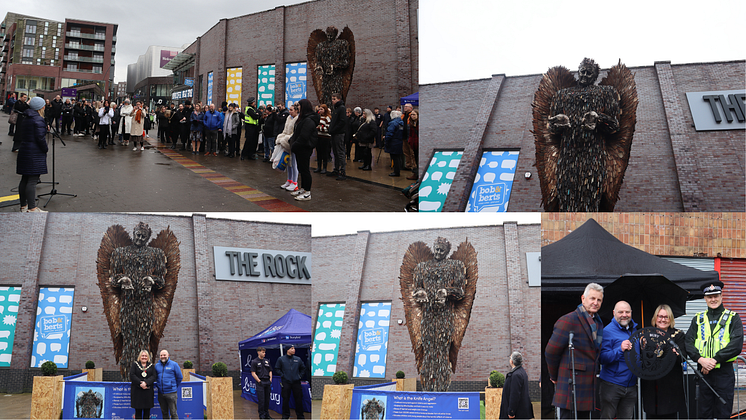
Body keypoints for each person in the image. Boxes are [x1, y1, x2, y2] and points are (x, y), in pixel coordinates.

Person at [685, 280, 744, 420]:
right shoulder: (698, 319)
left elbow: (736, 345)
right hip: (704, 374)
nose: (713, 299)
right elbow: (688, 342)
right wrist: (700, 360)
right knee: (704, 413)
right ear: (705, 299)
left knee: (723, 413)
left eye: (716, 295)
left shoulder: (733, 318)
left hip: (724, 373)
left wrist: (713, 361)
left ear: (721, 296)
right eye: (710, 297)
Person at [545, 283, 604, 419]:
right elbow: (551, 352)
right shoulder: (568, 320)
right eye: (592, 298)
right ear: (583, 299)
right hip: (570, 385)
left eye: (599, 300)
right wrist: (555, 377)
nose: (595, 303)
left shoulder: (598, 323)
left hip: (588, 385)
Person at [640, 304, 686, 419]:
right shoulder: (645, 335)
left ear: (671, 319)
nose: (663, 320)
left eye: (666, 317)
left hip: (670, 384)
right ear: (655, 318)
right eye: (660, 316)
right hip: (651, 384)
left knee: (670, 415)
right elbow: (641, 359)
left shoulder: (678, 335)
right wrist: (641, 347)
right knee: (652, 414)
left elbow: (683, 356)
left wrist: (676, 353)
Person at [598, 301, 637, 419]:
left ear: (631, 313)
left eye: (627, 312)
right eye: (621, 312)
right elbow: (602, 358)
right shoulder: (607, 331)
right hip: (611, 385)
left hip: (631, 385)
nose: (624, 315)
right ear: (614, 313)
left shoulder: (635, 330)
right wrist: (620, 349)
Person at [16, 96, 48, 213]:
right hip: (34, 152)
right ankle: (32, 208)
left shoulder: (26, 117)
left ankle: (23, 206)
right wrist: (45, 149)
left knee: (25, 178)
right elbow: (40, 138)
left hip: (25, 150)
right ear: (40, 107)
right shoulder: (38, 119)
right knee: (32, 180)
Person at [289, 98, 319, 202]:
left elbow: (304, 136)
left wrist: (295, 145)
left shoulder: (309, 120)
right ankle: (302, 188)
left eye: (300, 105)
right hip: (299, 148)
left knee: (305, 170)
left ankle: (307, 192)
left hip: (304, 148)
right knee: (301, 169)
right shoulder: (302, 118)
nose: (298, 107)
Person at [275, 345, 306, 420]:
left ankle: (300, 416)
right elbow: (277, 368)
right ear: (287, 350)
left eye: (294, 348)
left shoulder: (298, 359)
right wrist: (283, 376)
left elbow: (303, 368)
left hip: (296, 382)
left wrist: (299, 376)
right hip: (286, 382)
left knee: (298, 399)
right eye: (291, 348)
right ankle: (285, 416)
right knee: (285, 399)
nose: (294, 350)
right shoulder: (281, 359)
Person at [499, 351, 534, 419]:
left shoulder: (516, 375)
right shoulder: (522, 371)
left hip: (517, 412)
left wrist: (511, 411)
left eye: (510, 358)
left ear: (512, 361)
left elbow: (515, 394)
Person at [277, 102, 299, 193]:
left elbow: (294, 133)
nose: (289, 111)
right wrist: (281, 138)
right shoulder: (289, 118)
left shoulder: (298, 119)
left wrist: (286, 139)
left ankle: (295, 182)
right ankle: (289, 180)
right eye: (289, 109)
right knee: (288, 163)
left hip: (293, 143)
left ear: (296, 111)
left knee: (294, 163)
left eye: (291, 110)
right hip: (287, 142)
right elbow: (285, 130)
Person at [155, 349, 182, 420]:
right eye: (161, 355)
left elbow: (180, 377)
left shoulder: (174, 364)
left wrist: (173, 386)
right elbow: (155, 377)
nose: (163, 356)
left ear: (168, 355)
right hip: (161, 393)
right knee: (164, 413)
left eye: (164, 355)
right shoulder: (157, 366)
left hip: (171, 393)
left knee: (173, 413)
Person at [130, 349, 157, 420]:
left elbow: (154, 376)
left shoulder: (151, 366)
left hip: (147, 392)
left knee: (147, 413)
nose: (144, 357)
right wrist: (141, 383)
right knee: (138, 413)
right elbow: (132, 375)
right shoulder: (135, 365)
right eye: (142, 356)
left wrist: (146, 383)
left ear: (148, 357)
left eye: (145, 356)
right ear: (140, 356)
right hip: (137, 392)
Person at [327, 92, 347, 180]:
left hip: (339, 133)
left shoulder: (341, 108)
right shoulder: (336, 109)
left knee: (340, 152)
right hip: (334, 133)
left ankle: (342, 171)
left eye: (334, 99)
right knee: (335, 152)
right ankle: (336, 169)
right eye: (332, 99)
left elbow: (342, 121)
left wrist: (334, 129)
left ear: (339, 99)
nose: (332, 100)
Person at [250, 347, 273, 420]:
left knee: (267, 400)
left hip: (267, 381)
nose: (264, 353)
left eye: (264, 352)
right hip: (260, 382)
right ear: (258, 352)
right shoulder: (254, 361)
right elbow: (253, 373)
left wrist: (270, 379)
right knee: (261, 400)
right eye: (262, 352)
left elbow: (270, 370)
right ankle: (262, 415)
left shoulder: (267, 361)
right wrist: (259, 381)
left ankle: (267, 415)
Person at [385, 110, 404, 177]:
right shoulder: (401, 122)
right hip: (399, 141)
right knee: (398, 157)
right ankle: (397, 170)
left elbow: (390, 133)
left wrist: (386, 140)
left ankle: (396, 172)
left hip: (393, 142)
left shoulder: (393, 123)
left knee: (394, 157)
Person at [314, 104, 332, 174]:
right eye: (319, 109)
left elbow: (327, 128)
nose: (320, 110)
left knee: (324, 152)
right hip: (318, 136)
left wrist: (319, 128)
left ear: (325, 110)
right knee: (319, 152)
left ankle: (324, 168)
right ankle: (319, 167)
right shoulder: (318, 117)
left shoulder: (328, 117)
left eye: (321, 109)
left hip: (325, 137)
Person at [406, 109, 419, 180]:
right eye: (411, 114)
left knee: (418, 160)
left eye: (414, 114)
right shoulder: (411, 123)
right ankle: (416, 174)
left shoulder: (419, 124)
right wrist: (410, 141)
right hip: (413, 144)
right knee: (415, 159)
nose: (412, 116)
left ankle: (418, 174)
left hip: (418, 144)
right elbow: (411, 134)